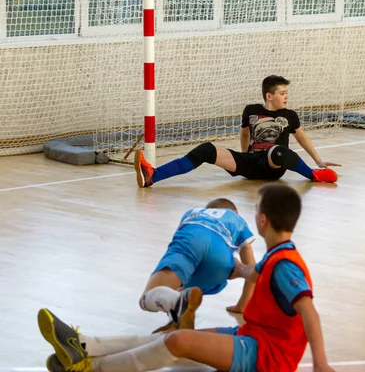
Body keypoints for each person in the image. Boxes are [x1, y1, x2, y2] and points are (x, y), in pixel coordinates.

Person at [38, 183, 335, 372]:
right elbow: (249, 270)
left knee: (178, 340)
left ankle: (91, 368)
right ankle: (85, 346)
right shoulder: (274, 257)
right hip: (252, 339)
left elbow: (309, 312)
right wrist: (233, 271)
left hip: (267, 357)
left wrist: (320, 363)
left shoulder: (286, 264)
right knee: (169, 339)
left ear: (262, 220)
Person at [134, 75, 341, 188]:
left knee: (279, 150)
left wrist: (319, 161)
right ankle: (153, 175)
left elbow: (302, 137)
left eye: (287, 93)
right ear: (269, 96)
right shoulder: (251, 111)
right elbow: (244, 134)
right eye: (282, 93)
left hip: (273, 165)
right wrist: (245, 154)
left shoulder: (289, 115)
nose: (286, 97)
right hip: (252, 162)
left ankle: (314, 175)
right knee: (206, 149)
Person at [139, 197, 257, 333]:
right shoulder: (235, 218)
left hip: (191, 238)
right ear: (235, 211)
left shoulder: (192, 212)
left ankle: (175, 302)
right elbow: (251, 263)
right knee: (209, 282)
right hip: (220, 260)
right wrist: (243, 304)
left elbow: (180, 246)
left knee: (150, 296)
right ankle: (177, 317)